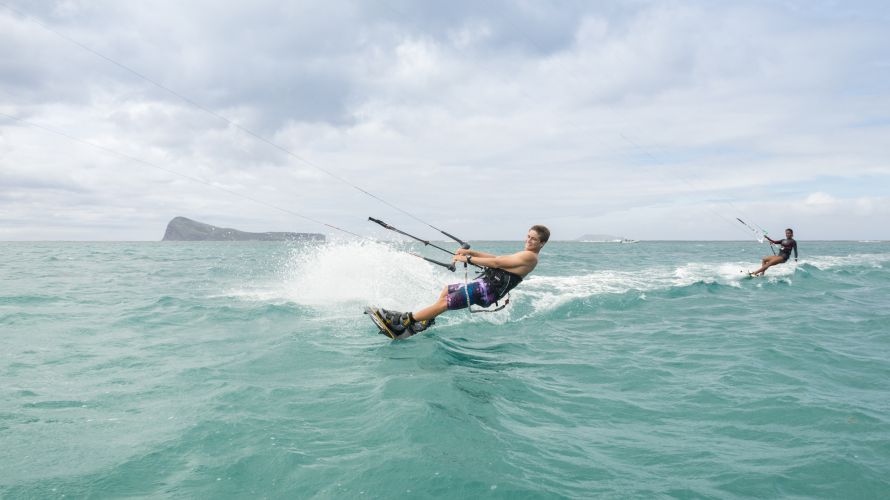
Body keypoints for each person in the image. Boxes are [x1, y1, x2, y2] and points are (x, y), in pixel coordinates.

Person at [378, 225, 550, 335]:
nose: (528, 240)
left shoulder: (530, 257)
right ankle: (425, 320)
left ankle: (404, 322)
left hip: (486, 291)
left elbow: (497, 262)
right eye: (528, 236)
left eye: (533, 239)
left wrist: (468, 260)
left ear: (541, 243)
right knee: (447, 290)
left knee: (445, 302)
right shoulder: (525, 253)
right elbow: (497, 257)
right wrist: (472, 253)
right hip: (484, 285)